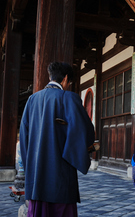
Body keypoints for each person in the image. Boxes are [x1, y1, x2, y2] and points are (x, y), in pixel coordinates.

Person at [20, 61, 95, 217]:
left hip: (37, 173)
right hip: (60, 170)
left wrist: (30, 166)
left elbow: (24, 138)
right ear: (66, 79)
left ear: (51, 77)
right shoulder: (68, 98)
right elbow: (85, 131)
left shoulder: (32, 100)